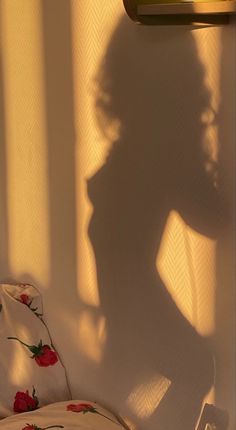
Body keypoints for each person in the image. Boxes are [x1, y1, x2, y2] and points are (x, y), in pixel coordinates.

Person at [87, 16, 224, 430]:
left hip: (117, 289)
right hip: (131, 289)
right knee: (198, 367)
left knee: (129, 389)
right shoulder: (161, 151)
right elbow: (214, 219)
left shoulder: (131, 148)